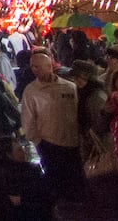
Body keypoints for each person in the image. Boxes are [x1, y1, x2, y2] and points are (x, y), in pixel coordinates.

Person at [21, 49, 83, 201]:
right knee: (57, 181)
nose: (34, 70)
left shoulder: (69, 87)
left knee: (76, 179)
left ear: (49, 66)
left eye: (38, 66)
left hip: (73, 140)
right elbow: (28, 120)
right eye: (32, 66)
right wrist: (38, 142)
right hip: (50, 143)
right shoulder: (31, 91)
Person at [0, 136, 53, 221]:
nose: (23, 151)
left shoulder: (31, 169)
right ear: (9, 155)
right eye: (19, 150)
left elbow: (43, 192)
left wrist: (22, 199)